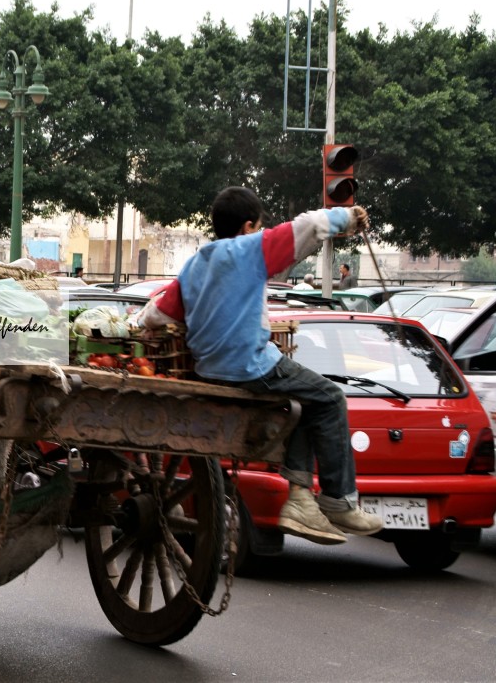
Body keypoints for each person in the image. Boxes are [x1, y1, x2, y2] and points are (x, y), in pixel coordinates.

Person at [139, 187, 382, 544]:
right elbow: (311, 224)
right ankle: (337, 501)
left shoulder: (197, 262)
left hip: (210, 369)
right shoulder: (251, 248)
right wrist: (348, 217)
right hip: (250, 366)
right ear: (249, 225)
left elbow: (157, 314)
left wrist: (140, 321)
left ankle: (300, 499)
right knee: (330, 398)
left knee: (303, 402)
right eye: (259, 226)